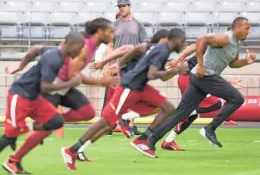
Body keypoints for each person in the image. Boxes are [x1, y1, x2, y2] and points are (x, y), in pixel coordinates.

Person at [61, 28, 188, 170]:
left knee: (167, 107)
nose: (184, 44)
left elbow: (141, 54)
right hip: (129, 87)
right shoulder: (161, 51)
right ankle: (72, 150)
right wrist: (114, 64)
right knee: (107, 122)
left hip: (140, 87)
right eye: (182, 41)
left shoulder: (154, 48)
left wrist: (174, 71)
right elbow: (152, 74)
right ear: (172, 39)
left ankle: (141, 138)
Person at [135, 17, 255, 158]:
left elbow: (233, 64)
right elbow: (200, 40)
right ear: (237, 27)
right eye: (247, 28)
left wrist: (246, 61)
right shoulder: (225, 38)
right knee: (237, 99)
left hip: (199, 78)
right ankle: (209, 128)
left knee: (181, 113)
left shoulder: (236, 44)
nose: (249, 31)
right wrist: (200, 66)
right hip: (205, 76)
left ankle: (150, 141)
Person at [5, 18, 119, 165]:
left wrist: (20, 66)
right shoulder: (83, 47)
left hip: (65, 88)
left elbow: (36, 50)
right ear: (100, 31)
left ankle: (48, 123)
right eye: (110, 31)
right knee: (45, 130)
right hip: (54, 88)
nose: (113, 35)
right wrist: (100, 82)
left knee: (87, 112)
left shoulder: (90, 46)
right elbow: (73, 76)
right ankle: (14, 160)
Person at [0, 31, 85, 174]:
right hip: (20, 95)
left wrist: (20, 66)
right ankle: (14, 152)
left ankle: (15, 158)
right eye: (80, 47)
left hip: (34, 98)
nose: (81, 51)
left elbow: (34, 50)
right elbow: (44, 86)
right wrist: (71, 83)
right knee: (9, 137)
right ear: (72, 45)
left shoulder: (55, 52)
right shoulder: (54, 58)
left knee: (55, 121)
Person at [103, 0, 148, 136]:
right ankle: (107, 127)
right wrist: (109, 63)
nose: (121, 8)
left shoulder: (138, 24)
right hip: (117, 65)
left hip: (134, 65)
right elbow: (110, 45)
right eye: (119, 6)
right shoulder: (113, 25)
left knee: (133, 95)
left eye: (123, 6)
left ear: (130, 6)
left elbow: (144, 44)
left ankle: (131, 126)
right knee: (111, 95)